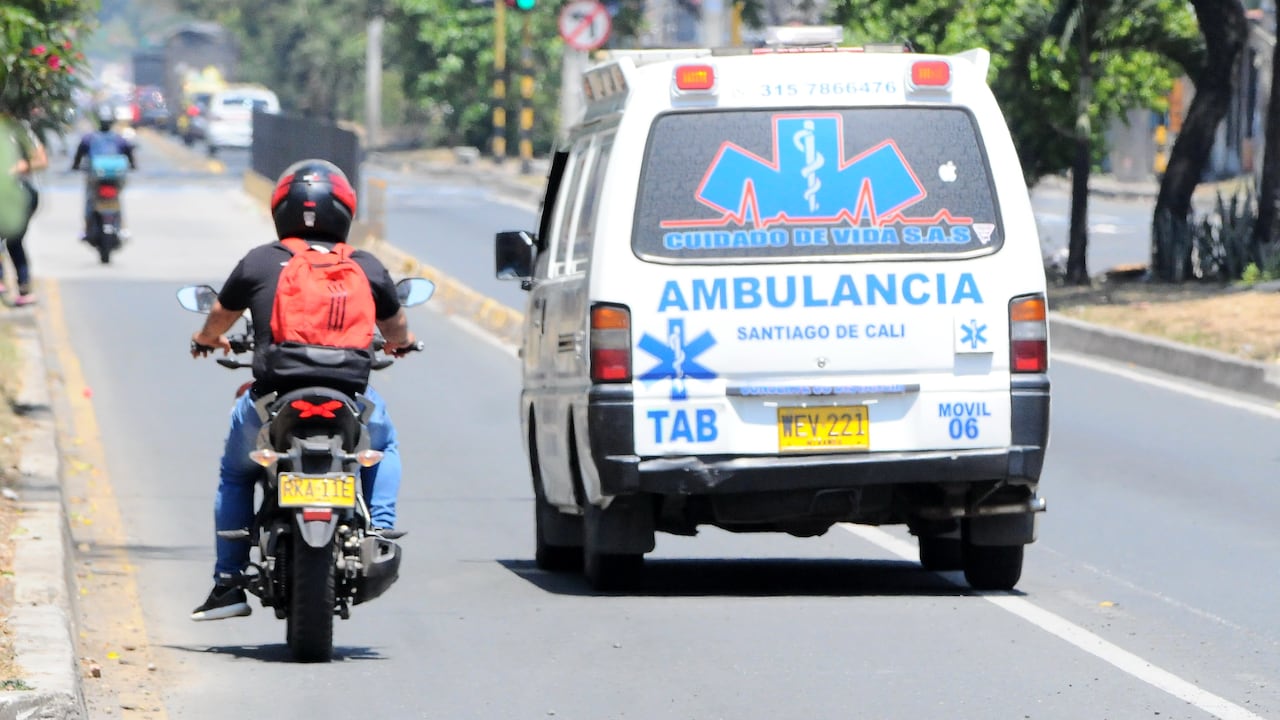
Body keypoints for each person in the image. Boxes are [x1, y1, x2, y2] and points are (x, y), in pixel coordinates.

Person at [187, 159, 418, 621]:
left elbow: (219, 317)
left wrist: (206, 340)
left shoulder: (259, 260)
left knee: (237, 474)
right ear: (345, 212)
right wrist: (402, 345)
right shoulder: (365, 266)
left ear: (280, 210)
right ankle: (382, 531)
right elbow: (396, 328)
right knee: (385, 444)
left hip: (274, 399)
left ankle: (229, 582)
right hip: (349, 399)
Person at [0, 113, 49, 307]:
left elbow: (41, 160)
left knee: (13, 237)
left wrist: (17, 168)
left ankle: (21, 287)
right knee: (13, 241)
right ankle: (23, 287)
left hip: (20, 194)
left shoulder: (21, 131)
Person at [70, 107, 136, 241]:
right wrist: (133, 165)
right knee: (116, 200)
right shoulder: (119, 139)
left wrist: (75, 166)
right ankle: (122, 227)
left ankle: (87, 228)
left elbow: (78, 155)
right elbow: (130, 155)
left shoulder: (90, 138)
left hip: (97, 178)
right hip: (113, 178)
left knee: (90, 200)